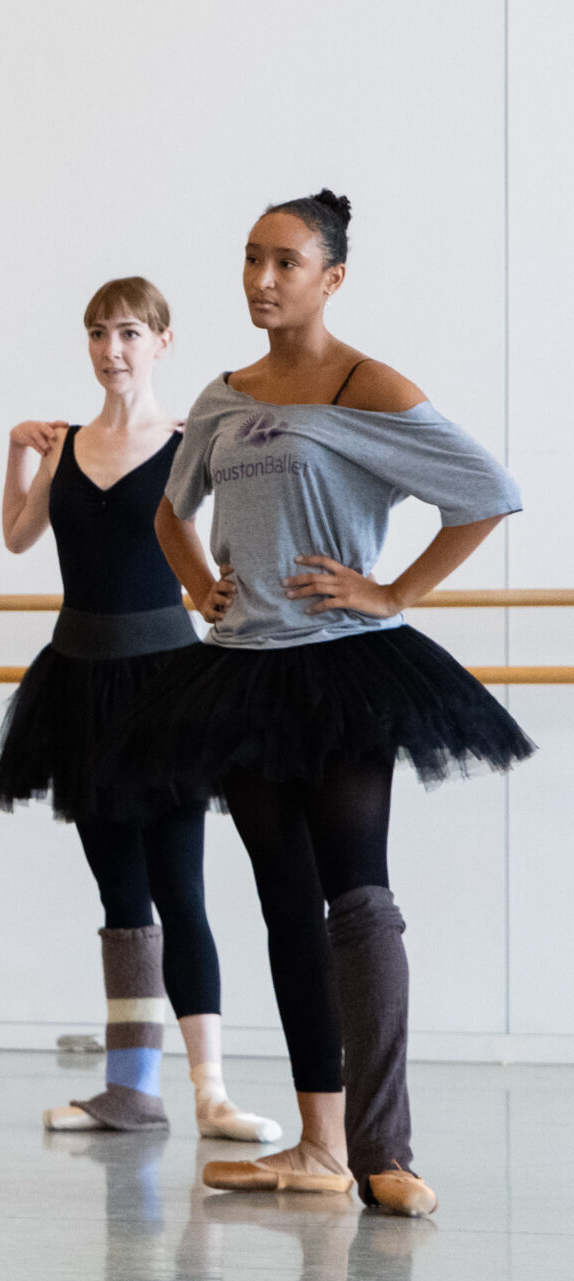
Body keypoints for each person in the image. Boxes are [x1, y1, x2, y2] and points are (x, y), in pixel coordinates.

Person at [130, 189, 530, 1218]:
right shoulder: (222, 396)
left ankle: (382, 1151)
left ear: (330, 277)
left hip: (344, 667)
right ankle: (315, 1147)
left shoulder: (367, 385)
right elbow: (172, 511)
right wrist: (193, 583)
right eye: (252, 260)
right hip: (242, 672)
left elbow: (483, 491)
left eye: (286, 263)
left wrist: (392, 591)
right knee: (282, 904)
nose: (263, 281)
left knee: (357, 896)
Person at [0, 277, 279, 1143]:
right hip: (78, 682)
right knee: (120, 896)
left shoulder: (191, 443)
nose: (111, 350)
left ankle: (211, 1091)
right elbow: (16, 535)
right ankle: (129, 1091)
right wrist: (15, 451)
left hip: (164, 687)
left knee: (178, 890)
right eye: (97, 334)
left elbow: (220, 556)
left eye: (127, 333)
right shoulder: (66, 444)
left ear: (162, 341)